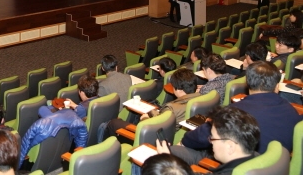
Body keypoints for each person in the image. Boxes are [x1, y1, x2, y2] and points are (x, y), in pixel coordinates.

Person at [171, 61, 301, 160]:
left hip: (239, 166)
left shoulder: (235, 112)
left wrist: (184, 141)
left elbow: (198, 137)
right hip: (273, 167)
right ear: (277, 86)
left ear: (248, 83)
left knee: (173, 150)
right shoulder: (292, 111)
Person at [102, 68, 201, 141]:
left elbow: (156, 128)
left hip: (151, 139)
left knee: (113, 123)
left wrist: (145, 118)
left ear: (179, 89)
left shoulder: (171, 108)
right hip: (173, 133)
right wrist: (152, 111)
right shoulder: (200, 99)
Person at [160, 106, 260, 174]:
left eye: (213, 138)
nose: (210, 141)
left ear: (230, 146)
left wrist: (168, 165)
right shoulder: (256, 158)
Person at [19, 104, 87, 168]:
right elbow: (82, 139)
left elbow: (24, 147)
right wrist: (79, 159)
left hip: (36, 157)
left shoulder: (39, 124)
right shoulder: (76, 119)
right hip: (61, 158)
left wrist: (17, 167)